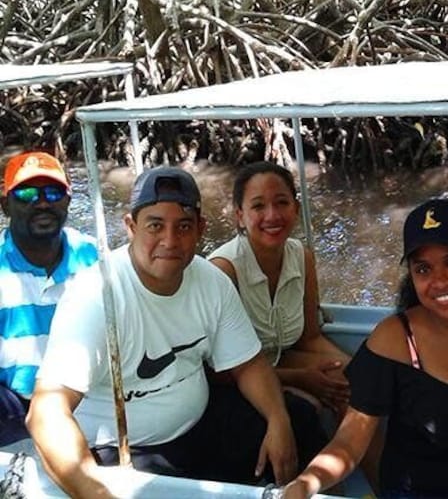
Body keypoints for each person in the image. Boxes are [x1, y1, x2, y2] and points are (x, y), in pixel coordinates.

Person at [26, 166, 297, 498]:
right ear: (130, 227)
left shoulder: (211, 281)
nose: (170, 241)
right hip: (123, 449)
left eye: (183, 226)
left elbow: (248, 364)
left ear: (200, 229)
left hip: (199, 427)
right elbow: (46, 411)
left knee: (301, 419)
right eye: (155, 225)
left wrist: (277, 419)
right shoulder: (96, 295)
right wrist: (96, 492)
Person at [281, 198, 448, 499]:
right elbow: (349, 442)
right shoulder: (393, 339)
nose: (439, 281)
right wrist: (304, 484)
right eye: (423, 269)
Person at [208, 162, 348, 463]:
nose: (272, 215)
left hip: (282, 357)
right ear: (239, 216)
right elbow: (218, 371)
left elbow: (309, 338)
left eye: (281, 203)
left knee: (356, 385)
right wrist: (300, 378)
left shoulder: (302, 257)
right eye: (258, 206)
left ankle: (381, 489)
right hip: (235, 381)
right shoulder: (223, 270)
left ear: (296, 208)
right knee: (307, 407)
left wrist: (357, 367)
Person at [0, 151, 98, 446]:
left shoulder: (97, 258)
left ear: (68, 200)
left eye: (54, 192)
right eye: (27, 193)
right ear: (5, 205)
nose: (42, 203)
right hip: (15, 407)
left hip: (89, 399)